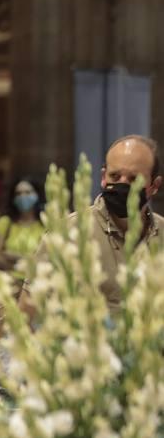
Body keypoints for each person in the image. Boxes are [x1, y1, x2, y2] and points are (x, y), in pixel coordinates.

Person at [23, 135, 164, 317]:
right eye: (115, 176)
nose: (122, 184)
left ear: (154, 186)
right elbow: (28, 313)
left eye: (133, 179)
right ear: (103, 178)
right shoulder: (68, 234)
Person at [0, 176, 44, 273]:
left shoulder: (45, 223)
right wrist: (19, 267)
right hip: (10, 282)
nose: (23, 196)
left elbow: (46, 258)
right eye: (18, 193)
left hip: (38, 282)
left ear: (37, 195)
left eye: (28, 192)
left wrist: (15, 256)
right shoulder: (5, 222)